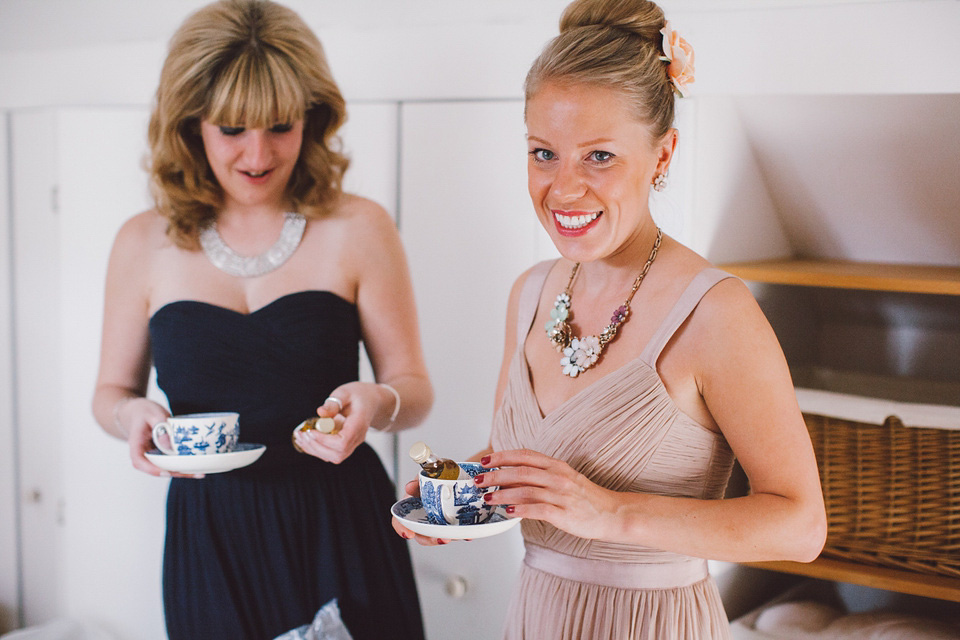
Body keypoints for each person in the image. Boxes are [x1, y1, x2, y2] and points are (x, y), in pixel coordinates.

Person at [393, 0, 827, 638]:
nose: (563, 189)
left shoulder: (715, 313)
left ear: (662, 154)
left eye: (598, 157)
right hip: (538, 612)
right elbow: (522, 460)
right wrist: (457, 493)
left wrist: (611, 514)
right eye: (544, 154)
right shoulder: (529, 292)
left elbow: (800, 526)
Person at [91, 1, 432, 638]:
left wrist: (374, 400)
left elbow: (413, 390)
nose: (258, 153)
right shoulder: (141, 242)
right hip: (211, 538)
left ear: (314, 116)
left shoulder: (360, 227)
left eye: (281, 125)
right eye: (232, 129)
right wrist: (127, 415)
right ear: (191, 124)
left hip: (342, 524)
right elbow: (110, 393)